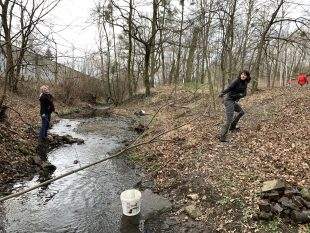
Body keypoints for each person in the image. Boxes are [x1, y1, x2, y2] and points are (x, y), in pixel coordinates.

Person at [218, 70, 251, 142]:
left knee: (241, 112)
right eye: (242, 74)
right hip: (228, 100)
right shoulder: (236, 81)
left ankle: (232, 127)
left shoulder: (245, 83)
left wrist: (240, 95)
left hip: (233, 101)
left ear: (247, 77)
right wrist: (222, 93)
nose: (243, 76)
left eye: (245, 75)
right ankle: (222, 136)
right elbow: (229, 88)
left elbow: (244, 94)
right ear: (240, 75)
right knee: (229, 119)